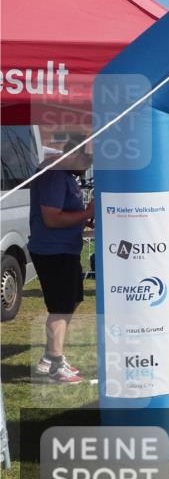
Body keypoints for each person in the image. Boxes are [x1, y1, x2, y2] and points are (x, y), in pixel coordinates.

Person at [29, 136, 94, 384]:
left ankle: (50, 358)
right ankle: (55, 364)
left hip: (64, 249)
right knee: (61, 307)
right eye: (87, 159)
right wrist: (87, 212)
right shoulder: (55, 175)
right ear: (74, 153)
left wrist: (83, 218)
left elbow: (65, 214)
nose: (88, 166)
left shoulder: (66, 176)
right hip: (53, 251)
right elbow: (52, 218)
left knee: (69, 302)